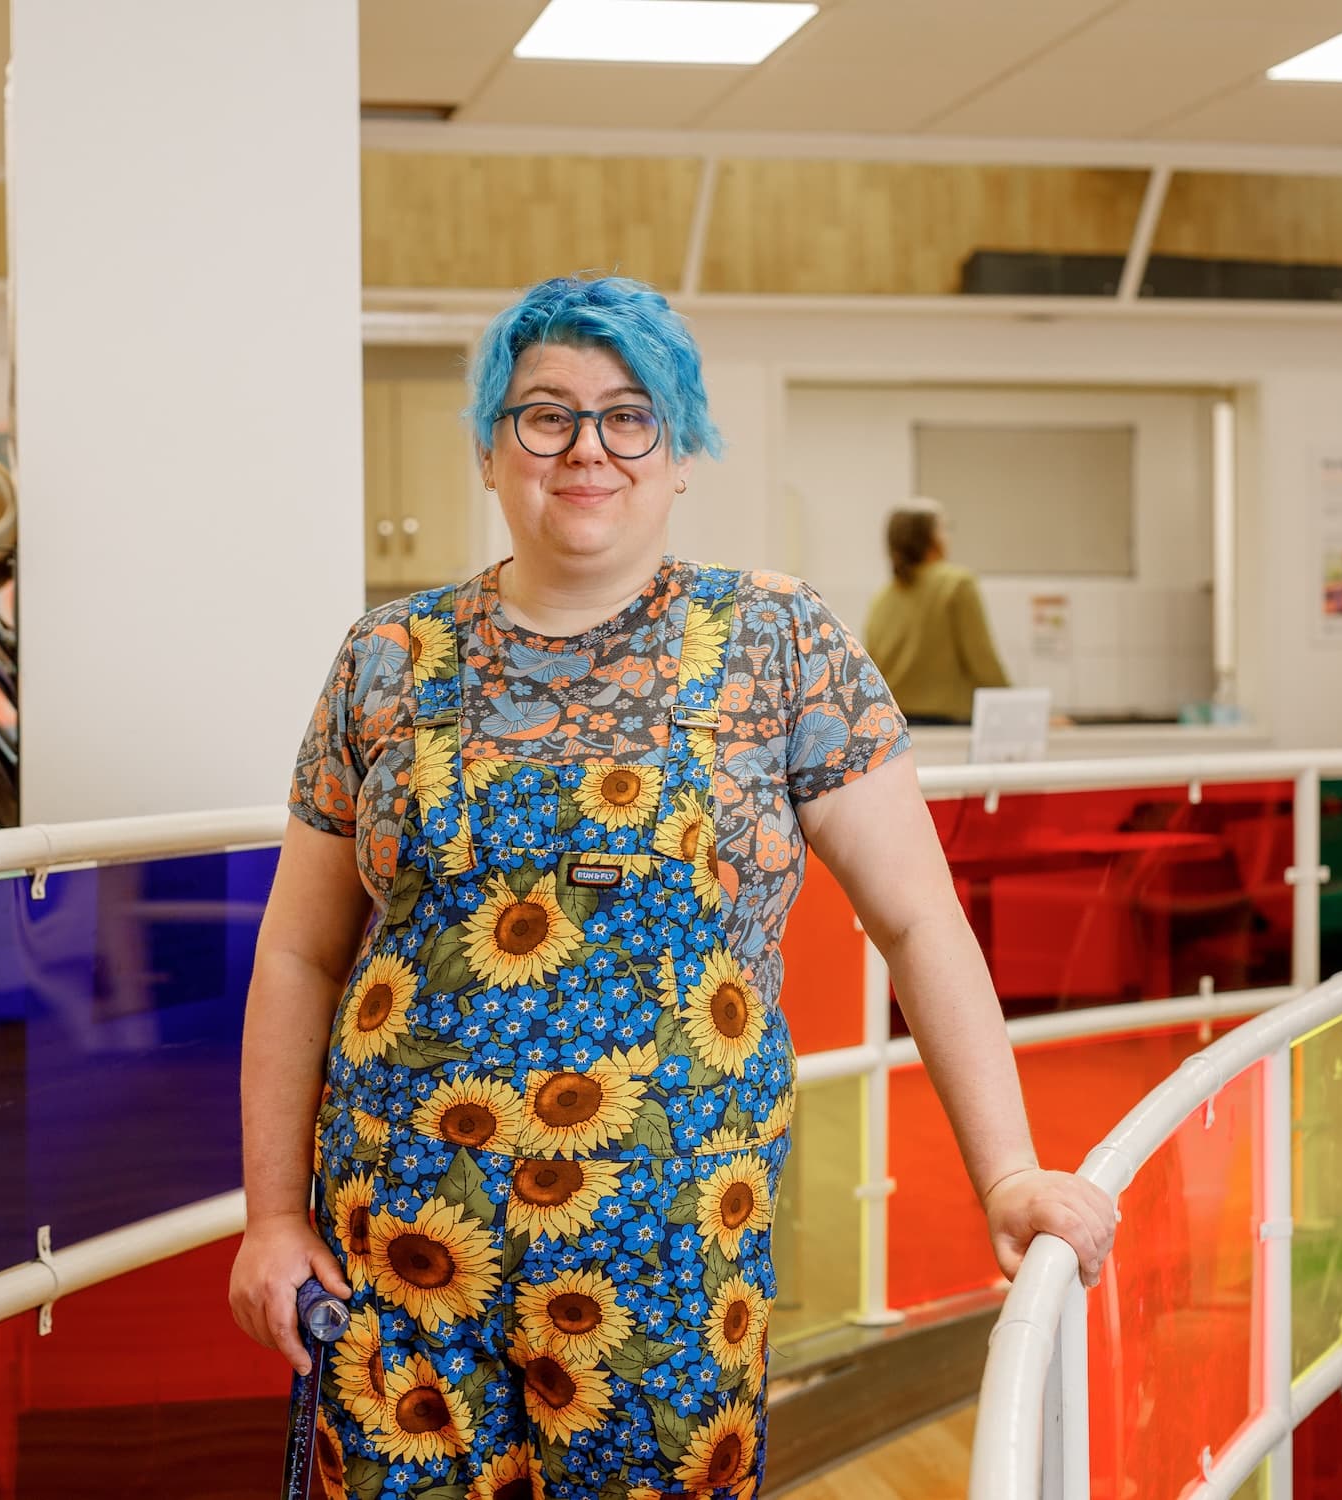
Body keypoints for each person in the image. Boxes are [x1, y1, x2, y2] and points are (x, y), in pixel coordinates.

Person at [229, 275, 1115, 1498]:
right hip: (398, 1247)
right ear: (491, 449)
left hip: (670, 1253)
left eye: (628, 414)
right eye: (543, 414)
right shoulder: (384, 658)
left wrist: (1005, 1170)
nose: (586, 446)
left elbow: (916, 920)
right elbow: (297, 955)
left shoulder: (778, 641)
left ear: (680, 451)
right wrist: (271, 1217)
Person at [863, 499, 1010, 725]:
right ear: (932, 538)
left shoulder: (882, 598)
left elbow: (870, 672)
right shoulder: (957, 584)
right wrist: (1017, 708)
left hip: (893, 727)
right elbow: (983, 662)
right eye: (944, 528)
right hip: (948, 724)